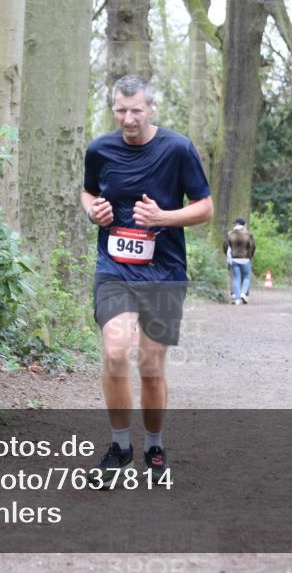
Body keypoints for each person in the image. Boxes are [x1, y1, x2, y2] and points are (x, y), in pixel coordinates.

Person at [82, 74, 213, 485]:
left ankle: (154, 445)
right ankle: (120, 446)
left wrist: (164, 218)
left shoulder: (177, 149)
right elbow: (87, 193)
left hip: (165, 271)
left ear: (152, 108)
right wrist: (93, 212)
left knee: (152, 365)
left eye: (136, 110)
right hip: (114, 269)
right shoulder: (100, 149)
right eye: (120, 110)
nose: (128, 118)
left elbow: (205, 207)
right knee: (116, 350)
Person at [224, 217, 255, 305]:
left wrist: (229, 255)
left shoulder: (230, 234)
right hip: (245, 259)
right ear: (244, 224)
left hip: (234, 259)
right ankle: (243, 293)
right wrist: (249, 256)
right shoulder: (248, 234)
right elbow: (252, 246)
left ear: (236, 224)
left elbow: (225, 246)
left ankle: (237, 299)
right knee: (246, 277)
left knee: (236, 278)